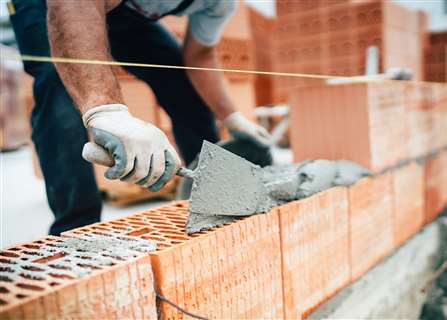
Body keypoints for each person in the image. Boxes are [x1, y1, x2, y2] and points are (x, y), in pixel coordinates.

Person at [9, 0, 271, 235]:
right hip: (52, 5)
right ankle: (76, 230)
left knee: (178, 78)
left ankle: (213, 196)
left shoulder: (219, 4)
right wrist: (106, 110)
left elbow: (200, 55)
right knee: (58, 87)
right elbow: (76, 5)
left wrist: (231, 117)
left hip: (122, 11)